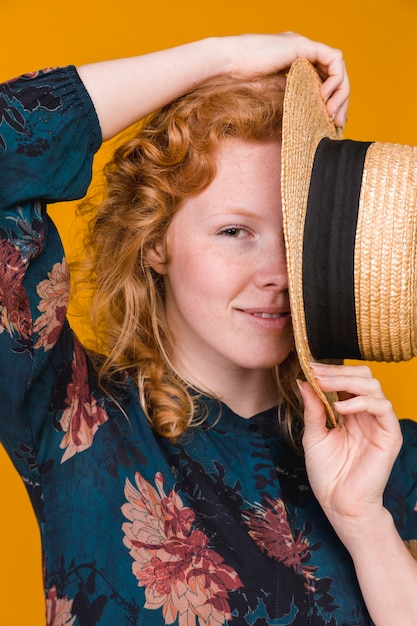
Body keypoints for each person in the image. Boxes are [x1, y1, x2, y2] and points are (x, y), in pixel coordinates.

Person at [0, 32, 416, 626]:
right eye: (234, 231)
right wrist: (218, 59)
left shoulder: (387, 464)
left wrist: (367, 525)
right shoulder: (75, 418)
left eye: (294, 235)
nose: (276, 273)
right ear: (154, 241)